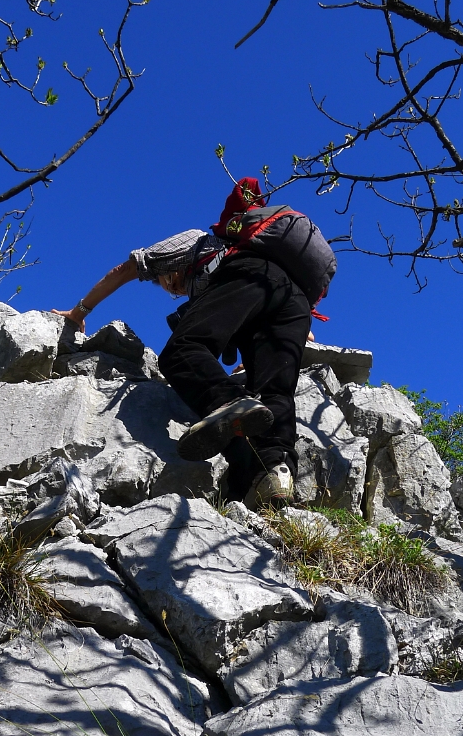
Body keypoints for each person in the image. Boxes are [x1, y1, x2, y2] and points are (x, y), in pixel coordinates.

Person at [53, 178, 335, 509]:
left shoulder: (196, 242)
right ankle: (270, 478)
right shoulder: (256, 269)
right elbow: (293, 330)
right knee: (274, 392)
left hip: (251, 275)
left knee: (181, 352)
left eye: (161, 283)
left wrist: (79, 311)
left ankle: (228, 402)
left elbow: (125, 268)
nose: (166, 288)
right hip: (296, 303)